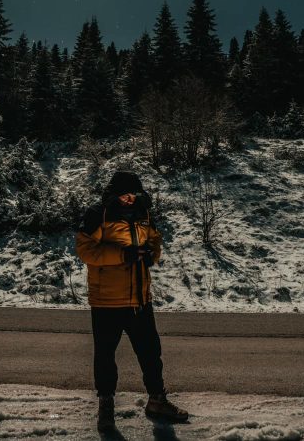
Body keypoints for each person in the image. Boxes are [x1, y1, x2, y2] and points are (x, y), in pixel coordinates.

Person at [75, 170, 190, 432]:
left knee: (151, 353)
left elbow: (155, 239)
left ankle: (157, 401)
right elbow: (85, 249)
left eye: (133, 194)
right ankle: (106, 408)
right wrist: (122, 255)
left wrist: (152, 255)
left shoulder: (143, 213)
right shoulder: (98, 214)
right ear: (114, 193)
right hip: (106, 301)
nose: (129, 199)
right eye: (125, 195)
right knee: (105, 356)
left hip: (140, 299)